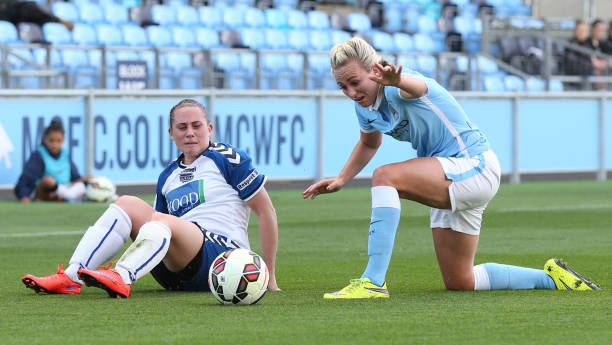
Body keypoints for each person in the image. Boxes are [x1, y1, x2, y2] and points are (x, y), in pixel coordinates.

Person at [302, 37, 600, 299]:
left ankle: (372, 282)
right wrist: (342, 179)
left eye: (355, 82)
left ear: (375, 69)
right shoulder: (364, 107)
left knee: (385, 176)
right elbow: (369, 144)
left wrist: (397, 81)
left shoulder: (400, 86)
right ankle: (554, 280)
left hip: (473, 165)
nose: (351, 92)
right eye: (343, 86)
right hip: (448, 174)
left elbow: (417, 88)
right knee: (461, 280)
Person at [22, 99, 280, 298]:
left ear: (209, 128)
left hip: (223, 259)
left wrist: (269, 275)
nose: (190, 132)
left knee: (160, 222)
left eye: (197, 126)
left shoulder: (227, 157)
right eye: (182, 127)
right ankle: (71, 277)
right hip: (173, 273)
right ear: (171, 133)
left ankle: (121, 276)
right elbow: (154, 231)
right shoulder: (167, 175)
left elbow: (265, 211)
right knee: (126, 203)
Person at [14, 120, 90, 203]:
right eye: (51, 141)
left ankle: (66, 196)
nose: (55, 145)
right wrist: (24, 196)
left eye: (58, 141)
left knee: (86, 181)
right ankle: (69, 197)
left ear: (63, 141)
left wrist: (86, 180)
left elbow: (76, 178)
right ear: (45, 139)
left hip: (64, 188)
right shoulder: (39, 155)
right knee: (48, 181)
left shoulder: (65, 154)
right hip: (44, 192)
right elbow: (25, 180)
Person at [0, 0, 74, 31]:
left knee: (29, 8)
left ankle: (58, 21)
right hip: (11, 15)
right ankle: (59, 21)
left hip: (17, 13)